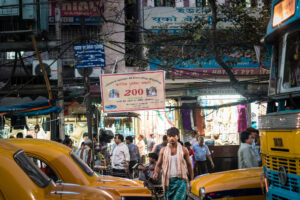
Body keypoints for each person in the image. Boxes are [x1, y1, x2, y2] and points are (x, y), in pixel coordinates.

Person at [153, 127, 193, 200]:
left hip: (181, 181)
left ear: (177, 137)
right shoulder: (163, 150)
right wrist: (156, 172)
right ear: (167, 137)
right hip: (167, 181)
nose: (171, 138)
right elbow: (158, 165)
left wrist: (192, 180)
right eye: (169, 136)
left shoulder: (184, 150)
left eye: (174, 136)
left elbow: (189, 165)